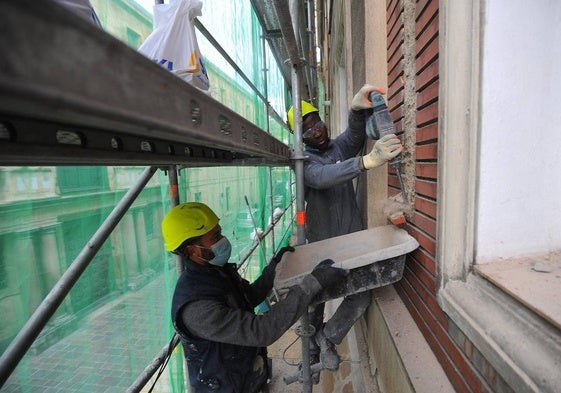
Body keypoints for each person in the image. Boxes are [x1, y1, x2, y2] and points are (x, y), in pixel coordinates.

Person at [162, 202, 348, 393]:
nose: (223, 240)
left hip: (247, 377)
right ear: (192, 251)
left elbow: (248, 297)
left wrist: (273, 268)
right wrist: (311, 284)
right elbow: (260, 331)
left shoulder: (215, 272)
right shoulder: (196, 308)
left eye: (220, 232)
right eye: (215, 237)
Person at [286, 84, 403, 371]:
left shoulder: (336, 147)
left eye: (317, 123)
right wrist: (367, 161)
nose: (317, 132)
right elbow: (324, 176)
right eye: (308, 131)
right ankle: (310, 348)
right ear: (299, 139)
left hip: (351, 240)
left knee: (360, 292)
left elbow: (353, 136)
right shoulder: (304, 162)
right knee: (313, 300)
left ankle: (329, 337)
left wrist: (354, 109)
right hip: (321, 245)